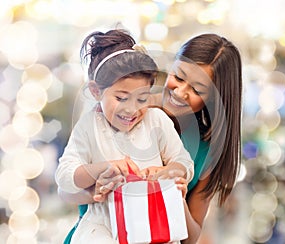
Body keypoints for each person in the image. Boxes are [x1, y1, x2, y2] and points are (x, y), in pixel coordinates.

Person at [59, 32, 242, 244]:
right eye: (179, 77)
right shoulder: (115, 112)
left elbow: (190, 238)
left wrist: (175, 195)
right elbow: (65, 190)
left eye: (197, 90)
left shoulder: (203, 151)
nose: (181, 92)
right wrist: (100, 191)